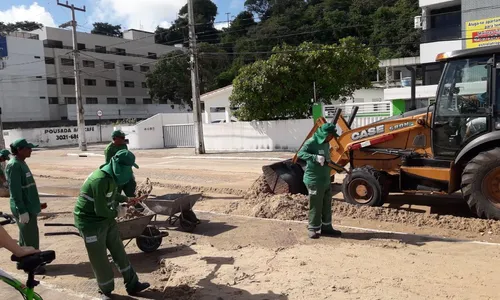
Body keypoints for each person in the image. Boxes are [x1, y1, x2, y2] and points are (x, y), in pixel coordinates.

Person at [74, 149, 149, 299]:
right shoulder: (99, 179)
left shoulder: (111, 176)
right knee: (99, 258)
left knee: (119, 251)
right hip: (90, 223)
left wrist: (126, 199)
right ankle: (105, 290)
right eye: (129, 168)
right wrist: (118, 213)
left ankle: (132, 283)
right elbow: (100, 209)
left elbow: (111, 194)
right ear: (121, 167)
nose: (130, 171)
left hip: (105, 220)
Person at [298, 123, 342, 239]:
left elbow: (327, 160)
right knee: (316, 205)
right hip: (314, 180)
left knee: (326, 204)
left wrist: (338, 168)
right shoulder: (311, 142)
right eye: (330, 135)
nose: (332, 138)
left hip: (325, 179)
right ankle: (313, 228)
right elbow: (300, 154)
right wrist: (315, 157)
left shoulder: (326, 144)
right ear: (324, 134)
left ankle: (327, 227)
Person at [6, 139, 44, 271]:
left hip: (29, 206)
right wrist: (21, 210)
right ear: (20, 150)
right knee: (30, 238)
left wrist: (37, 204)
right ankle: (33, 266)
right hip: (23, 208)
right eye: (28, 148)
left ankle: (23, 261)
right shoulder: (14, 165)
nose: (31, 150)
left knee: (25, 236)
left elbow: (28, 188)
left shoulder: (21, 163)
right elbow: (15, 191)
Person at [104, 130, 137, 198]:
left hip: (126, 171)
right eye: (122, 138)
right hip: (117, 174)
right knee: (115, 195)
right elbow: (108, 164)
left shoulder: (124, 145)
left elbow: (127, 158)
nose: (124, 139)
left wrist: (131, 173)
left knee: (132, 191)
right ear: (115, 138)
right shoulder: (109, 149)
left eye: (124, 137)